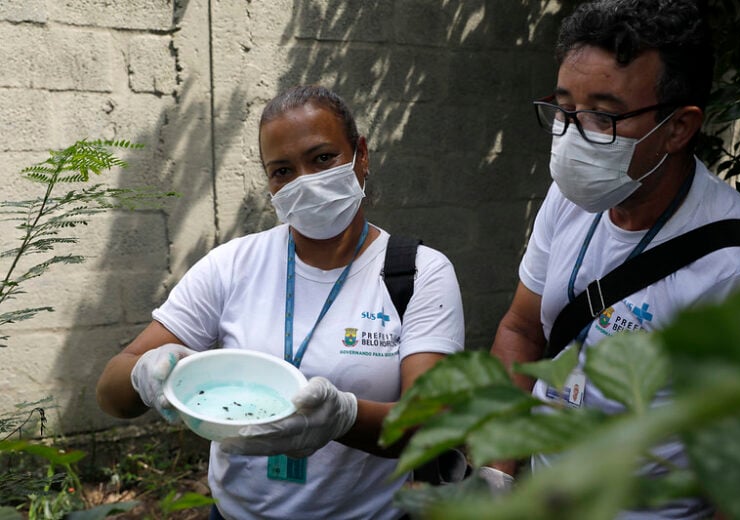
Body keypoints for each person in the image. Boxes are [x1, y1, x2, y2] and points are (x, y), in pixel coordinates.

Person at [96, 85, 465, 520]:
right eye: (282, 170)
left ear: (360, 155)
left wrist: (343, 418)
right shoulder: (233, 266)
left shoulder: (420, 273)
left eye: (323, 158)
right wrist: (144, 373)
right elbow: (111, 394)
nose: (304, 181)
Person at [489, 0, 740, 517]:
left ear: (679, 127)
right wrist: (497, 469)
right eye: (564, 106)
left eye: (603, 113)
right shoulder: (570, 200)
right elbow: (522, 330)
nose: (573, 134)